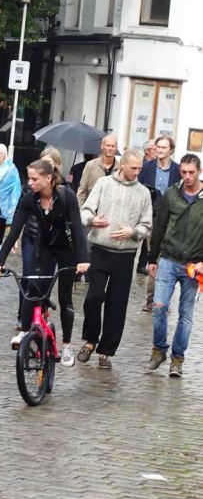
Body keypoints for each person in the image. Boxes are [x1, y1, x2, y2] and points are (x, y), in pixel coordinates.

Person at [0, 158, 89, 365]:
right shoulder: (29, 199)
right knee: (32, 287)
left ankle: (66, 345)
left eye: (34, 179)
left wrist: (83, 259)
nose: (30, 183)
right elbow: (15, 230)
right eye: (29, 178)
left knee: (65, 297)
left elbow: (78, 229)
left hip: (65, 248)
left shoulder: (67, 196)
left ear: (49, 178)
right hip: (42, 246)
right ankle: (26, 331)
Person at [77, 148, 152, 368]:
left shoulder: (143, 193)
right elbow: (85, 210)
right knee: (93, 297)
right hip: (100, 249)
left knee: (117, 304)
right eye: (133, 168)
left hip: (125, 255)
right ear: (123, 166)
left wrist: (133, 232)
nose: (137, 172)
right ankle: (90, 340)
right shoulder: (104, 184)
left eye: (139, 168)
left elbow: (147, 225)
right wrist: (92, 220)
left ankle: (106, 351)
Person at [146, 153, 203, 377]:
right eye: (184, 172)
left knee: (185, 314)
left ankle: (177, 358)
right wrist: (152, 258)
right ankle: (159, 349)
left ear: (199, 172)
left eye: (191, 172)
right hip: (168, 259)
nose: (187, 176)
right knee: (159, 306)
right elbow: (159, 226)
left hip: (193, 265)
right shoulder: (172, 193)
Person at [138, 134, 180, 309]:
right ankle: (151, 299)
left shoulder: (177, 170)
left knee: (166, 259)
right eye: (158, 147)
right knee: (153, 255)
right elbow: (139, 189)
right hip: (151, 216)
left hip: (171, 219)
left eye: (164, 147)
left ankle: (162, 299)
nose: (160, 150)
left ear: (171, 150)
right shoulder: (147, 168)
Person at [0, 144, 22, 251]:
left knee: (2, 222)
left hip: (5, 200)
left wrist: (13, 201)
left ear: (4, 155)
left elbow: (16, 185)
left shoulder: (11, 168)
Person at [77, 134, 119, 207]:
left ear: (116, 148)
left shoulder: (120, 168)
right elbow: (82, 191)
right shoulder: (91, 165)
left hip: (112, 210)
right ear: (102, 146)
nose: (110, 148)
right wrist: (81, 211)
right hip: (91, 209)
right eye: (108, 145)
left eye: (113, 146)